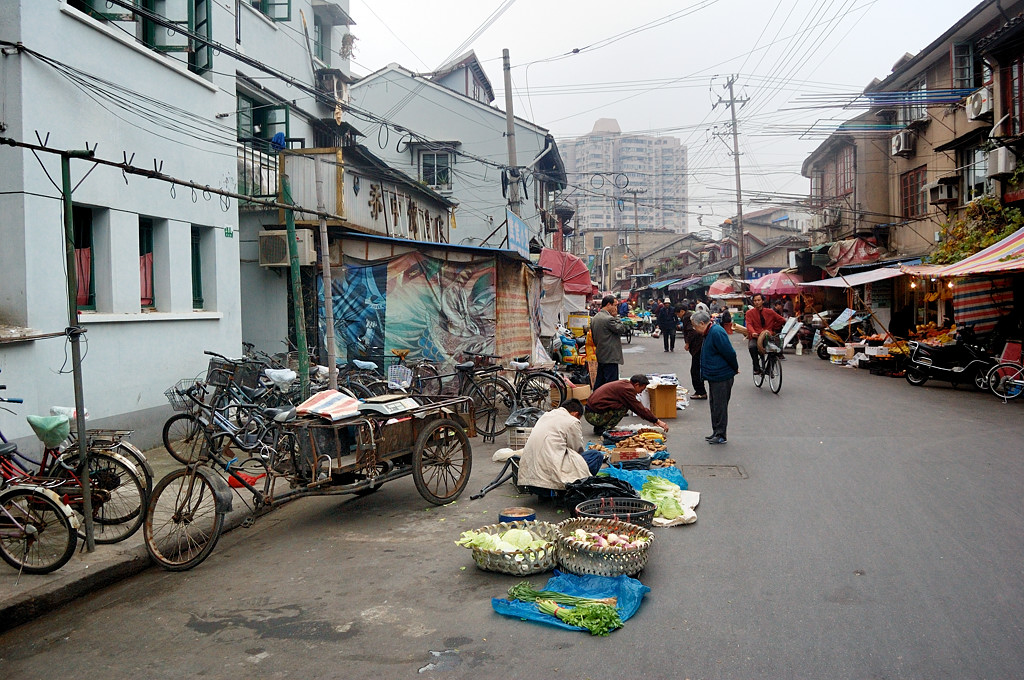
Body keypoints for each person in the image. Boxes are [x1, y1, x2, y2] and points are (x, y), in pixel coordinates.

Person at [516, 399, 603, 490]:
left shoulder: (546, 415)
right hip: (550, 479)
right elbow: (577, 449)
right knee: (596, 456)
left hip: (530, 478)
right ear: (576, 414)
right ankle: (579, 489)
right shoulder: (572, 421)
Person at [692, 311, 738, 445]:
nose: (695, 329)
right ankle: (716, 431)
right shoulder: (708, 332)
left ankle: (721, 434)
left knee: (720, 406)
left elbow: (730, 352)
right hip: (714, 375)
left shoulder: (716, 332)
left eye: (695, 326)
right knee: (714, 405)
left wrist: (735, 368)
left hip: (722, 375)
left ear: (702, 323)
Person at [584, 374, 670, 435]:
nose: (641, 392)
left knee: (623, 404)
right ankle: (605, 428)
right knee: (624, 407)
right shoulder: (628, 389)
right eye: (641, 389)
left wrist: (652, 420)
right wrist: (657, 421)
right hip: (592, 415)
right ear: (636, 385)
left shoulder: (625, 384)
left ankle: (600, 426)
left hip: (592, 411)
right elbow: (638, 408)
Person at [590, 295, 627, 390]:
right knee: (611, 384)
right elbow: (621, 329)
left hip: (601, 353)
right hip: (610, 355)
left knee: (600, 382)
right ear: (608, 304)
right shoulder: (608, 319)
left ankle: (596, 401)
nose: (616, 308)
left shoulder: (596, 317)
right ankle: (609, 402)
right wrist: (616, 316)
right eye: (615, 305)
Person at [744, 293, 785, 375]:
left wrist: (773, 328)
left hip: (768, 336)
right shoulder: (749, 313)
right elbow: (749, 324)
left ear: (762, 301)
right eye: (755, 301)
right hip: (756, 336)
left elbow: (782, 320)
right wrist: (753, 332)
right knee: (752, 347)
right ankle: (756, 368)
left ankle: (769, 369)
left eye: (758, 300)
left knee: (775, 349)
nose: (757, 302)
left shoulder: (770, 312)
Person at [680, 303, 707, 400]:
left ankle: (701, 392)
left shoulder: (688, 317)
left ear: (682, 311)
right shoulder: (689, 316)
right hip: (698, 347)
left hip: (697, 347)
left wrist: (687, 343)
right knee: (696, 370)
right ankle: (700, 390)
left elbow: (691, 331)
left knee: (695, 371)